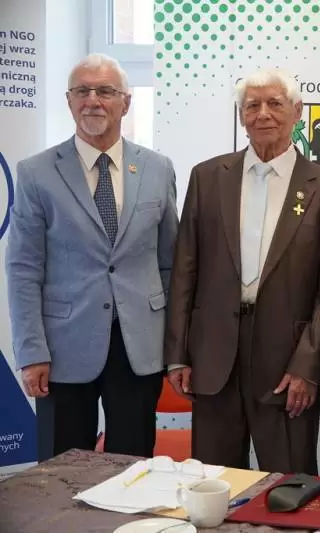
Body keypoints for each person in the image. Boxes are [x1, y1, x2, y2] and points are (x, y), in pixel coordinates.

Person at [164, 68, 320, 474]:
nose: (263, 113)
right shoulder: (207, 177)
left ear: (297, 112)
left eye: (274, 104)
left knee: (290, 487)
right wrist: (178, 355)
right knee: (213, 485)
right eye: (252, 105)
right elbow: (184, 271)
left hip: (287, 365)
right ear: (241, 116)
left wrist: (308, 367)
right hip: (214, 359)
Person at [5, 53, 179, 461]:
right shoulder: (36, 173)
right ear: (69, 101)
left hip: (139, 348)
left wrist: (175, 348)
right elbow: (23, 269)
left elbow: (171, 262)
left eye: (105, 91)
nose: (92, 100)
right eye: (82, 91)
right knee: (61, 473)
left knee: (131, 470)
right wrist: (31, 352)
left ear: (126, 102)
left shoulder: (158, 169)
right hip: (62, 349)